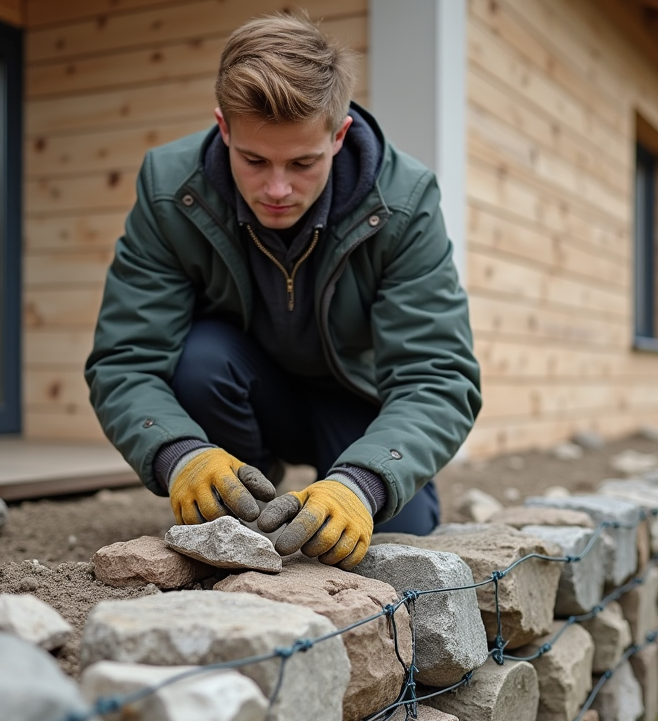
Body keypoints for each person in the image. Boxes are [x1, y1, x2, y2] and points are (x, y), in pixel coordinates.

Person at [85, 13, 481, 571]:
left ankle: (342, 481)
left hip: (354, 403)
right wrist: (180, 455)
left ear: (338, 135)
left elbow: (438, 374)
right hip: (239, 384)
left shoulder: (405, 202)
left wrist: (364, 482)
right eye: (253, 160)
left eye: (303, 163)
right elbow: (126, 360)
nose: (276, 189)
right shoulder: (170, 191)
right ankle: (245, 503)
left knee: (395, 535)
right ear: (224, 128)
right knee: (200, 360)